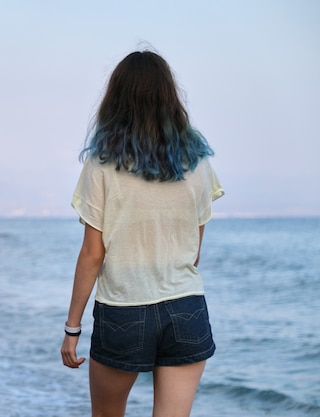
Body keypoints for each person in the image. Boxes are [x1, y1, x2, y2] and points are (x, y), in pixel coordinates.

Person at [60, 50, 224, 417]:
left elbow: (92, 254)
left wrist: (73, 327)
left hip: (124, 310)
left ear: (116, 97)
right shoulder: (197, 160)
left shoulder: (102, 161)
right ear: (169, 95)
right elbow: (194, 251)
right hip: (186, 307)